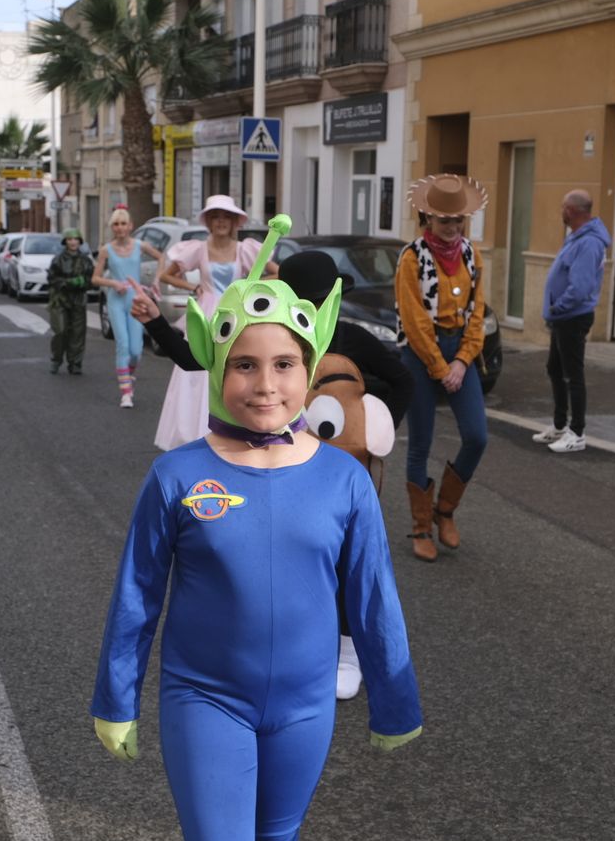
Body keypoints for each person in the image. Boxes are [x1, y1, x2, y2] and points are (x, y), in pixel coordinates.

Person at [91, 215, 421, 841]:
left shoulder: (344, 478)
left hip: (306, 704)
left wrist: (395, 699)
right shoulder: (177, 475)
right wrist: (116, 695)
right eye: (244, 363)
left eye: (283, 364)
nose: (265, 384)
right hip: (205, 697)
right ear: (217, 363)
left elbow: (373, 600)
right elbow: (137, 595)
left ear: (309, 369)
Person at [131, 248, 412, 699]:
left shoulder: (353, 338)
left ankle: (348, 651)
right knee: (289, 553)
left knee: (353, 559)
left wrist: (372, 425)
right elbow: (198, 358)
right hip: (280, 458)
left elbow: (402, 380)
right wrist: (154, 324)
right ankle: (288, 643)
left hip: (346, 466)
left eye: (320, 302)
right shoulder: (269, 335)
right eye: (307, 301)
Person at [393, 174, 491, 563]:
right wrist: (439, 366)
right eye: (444, 220)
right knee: (420, 444)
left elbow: (477, 311)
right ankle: (420, 527)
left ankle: (444, 511)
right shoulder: (411, 258)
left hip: (458, 353)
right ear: (427, 219)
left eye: (458, 221)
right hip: (421, 353)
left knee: (477, 436)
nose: (452, 228)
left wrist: (463, 360)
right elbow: (414, 322)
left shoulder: (473, 255)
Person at [151, 195, 276, 450]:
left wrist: (252, 289)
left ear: (234, 223)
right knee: (198, 367)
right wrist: (192, 286)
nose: (221, 222)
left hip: (236, 313)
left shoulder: (245, 249)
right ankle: (194, 432)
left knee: (235, 365)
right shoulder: (197, 248)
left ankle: (235, 427)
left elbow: (277, 271)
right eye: (216, 217)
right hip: (208, 313)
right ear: (209, 221)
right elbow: (167, 275)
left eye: (226, 218)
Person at [533, 189, 610, 454]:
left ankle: (577, 432)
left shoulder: (589, 243)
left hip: (572, 317)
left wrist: (558, 307)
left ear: (572, 211)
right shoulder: (577, 238)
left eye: (563, 207)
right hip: (563, 317)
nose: (561, 211)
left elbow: (580, 287)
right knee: (555, 369)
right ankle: (558, 425)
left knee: (572, 375)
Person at [92, 207, 164, 408]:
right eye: (116, 224)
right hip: (116, 300)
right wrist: (113, 283)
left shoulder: (140, 245)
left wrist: (156, 281)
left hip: (136, 300)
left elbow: (161, 258)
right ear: (112, 227)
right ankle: (126, 393)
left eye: (123, 223)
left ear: (130, 226)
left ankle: (128, 376)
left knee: (136, 350)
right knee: (122, 345)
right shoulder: (106, 250)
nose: (120, 227)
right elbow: (95, 278)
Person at [46, 228, 95, 375]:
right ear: (65, 242)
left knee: (78, 333)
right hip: (60, 299)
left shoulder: (86, 261)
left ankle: (75, 362)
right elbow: (51, 279)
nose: (73, 242)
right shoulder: (58, 260)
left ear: (80, 241)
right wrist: (67, 282)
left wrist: (83, 283)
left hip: (78, 300)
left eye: (75, 239)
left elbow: (92, 280)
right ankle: (56, 359)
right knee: (60, 331)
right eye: (69, 239)